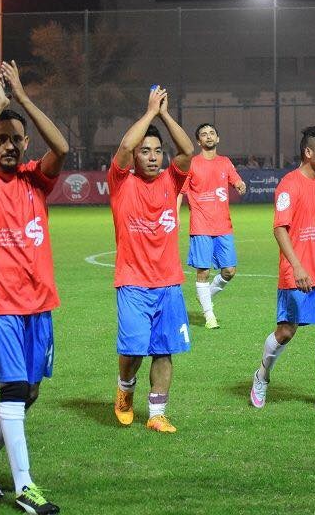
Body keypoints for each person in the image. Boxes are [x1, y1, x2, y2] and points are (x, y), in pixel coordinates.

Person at [0, 61, 67, 514]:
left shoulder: (34, 180)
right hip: (0, 304)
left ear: (24, 144)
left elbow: (61, 145)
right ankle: (25, 486)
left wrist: (21, 99)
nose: (6, 145)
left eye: (13, 139)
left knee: (29, 392)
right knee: (14, 390)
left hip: (39, 304)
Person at [249, 126, 315, 411]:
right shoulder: (289, 185)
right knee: (286, 330)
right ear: (308, 152)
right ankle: (261, 375)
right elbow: (280, 229)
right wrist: (297, 267)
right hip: (297, 274)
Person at [109, 87, 194, 433]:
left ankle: (157, 414)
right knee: (133, 350)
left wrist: (164, 116)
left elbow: (188, 150)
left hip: (169, 283)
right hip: (132, 282)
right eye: (146, 151)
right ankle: (125, 390)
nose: (153, 157)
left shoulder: (172, 181)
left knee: (164, 351)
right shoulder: (120, 182)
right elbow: (125, 147)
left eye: (158, 151)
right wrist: (148, 113)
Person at [176, 123, 246, 329]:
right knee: (203, 272)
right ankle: (209, 316)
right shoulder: (192, 164)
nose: (208, 136)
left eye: (212, 133)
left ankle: (205, 296)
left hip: (223, 226)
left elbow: (237, 181)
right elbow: (180, 192)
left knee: (229, 271)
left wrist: (241, 185)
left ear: (218, 138)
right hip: (201, 226)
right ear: (198, 141)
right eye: (204, 134)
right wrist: (176, 216)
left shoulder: (225, 162)